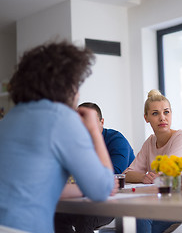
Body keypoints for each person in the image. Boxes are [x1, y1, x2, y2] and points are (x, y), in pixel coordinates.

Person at [0, 41, 116, 233]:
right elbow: (102, 189)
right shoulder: (62, 119)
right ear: (67, 85)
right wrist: (94, 130)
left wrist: (82, 188)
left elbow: (33, 186)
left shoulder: (9, 119)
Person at [123, 89, 182, 233]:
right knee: (130, 218)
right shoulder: (150, 142)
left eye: (166, 112)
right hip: (162, 203)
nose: (162, 118)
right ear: (146, 118)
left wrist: (152, 177)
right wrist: (144, 177)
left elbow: (165, 174)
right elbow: (127, 174)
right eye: (155, 113)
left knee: (139, 217)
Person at [55, 102, 135, 233]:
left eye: (89, 122)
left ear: (101, 122)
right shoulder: (76, 144)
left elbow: (112, 174)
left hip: (115, 201)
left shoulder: (116, 140)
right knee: (57, 214)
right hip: (87, 199)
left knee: (86, 217)